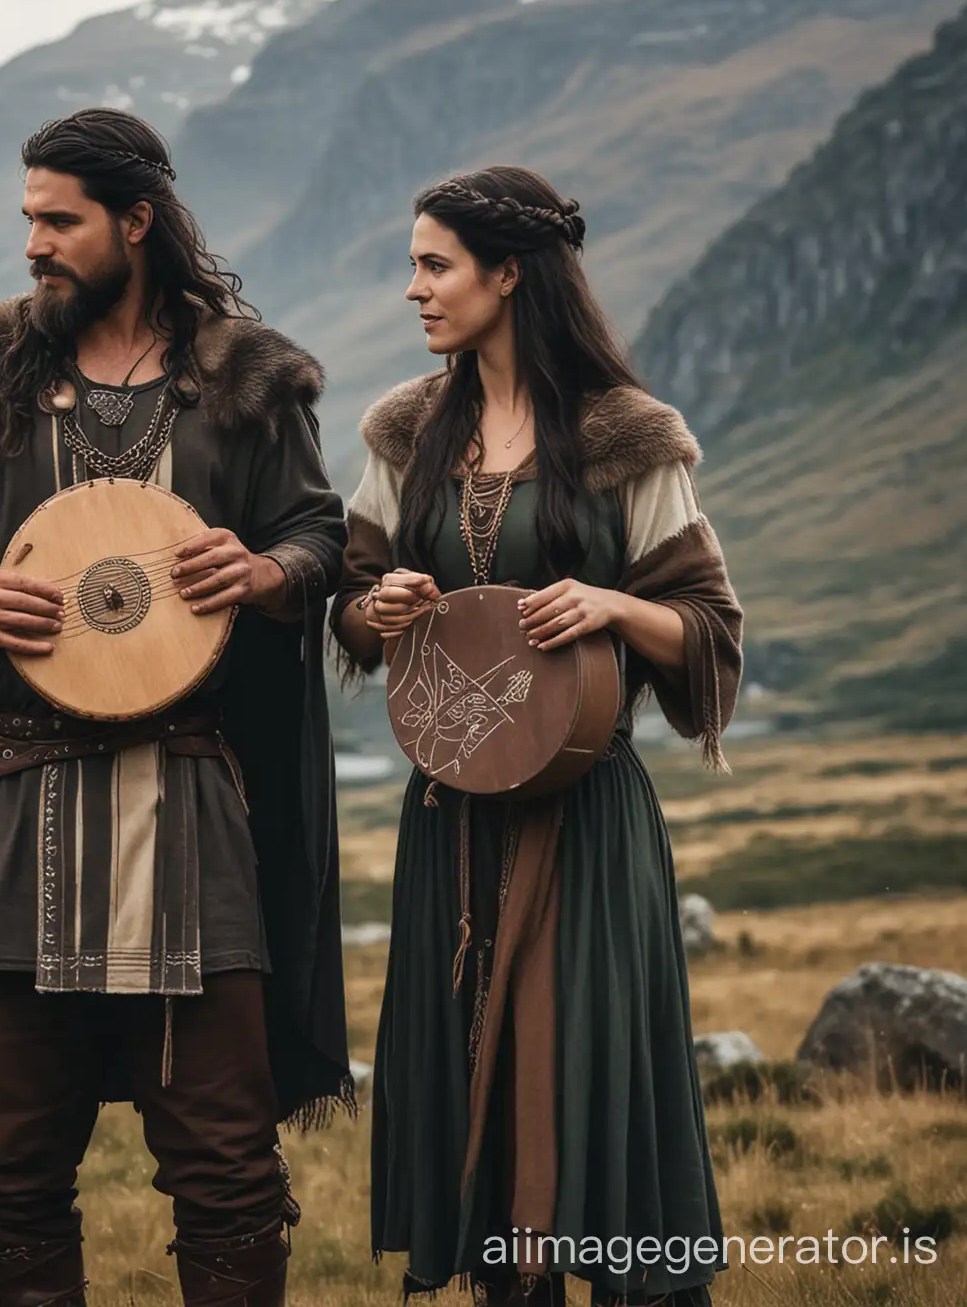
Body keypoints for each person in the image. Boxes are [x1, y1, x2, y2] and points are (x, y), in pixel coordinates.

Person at [0, 108, 351, 1307]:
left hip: (191, 830)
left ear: (136, 223)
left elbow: (320, 532)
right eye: (27, 219)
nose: (34, 243)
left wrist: (268, 573)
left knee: (229, 1172)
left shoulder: (242, 380)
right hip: (14, 827)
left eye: (59, 221)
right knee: (17, 1174)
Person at [332, 169, 742, 1305]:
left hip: (585, 825)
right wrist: (386, 606)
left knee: (586, 1082)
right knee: (479, 1093)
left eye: (435, 265)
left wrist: (613, 605)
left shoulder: (626, 437)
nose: (412, 289)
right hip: (448, 822)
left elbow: (709, 628)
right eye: (414, 263)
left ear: (507, 275)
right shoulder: (405, 432)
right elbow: (352, 608)